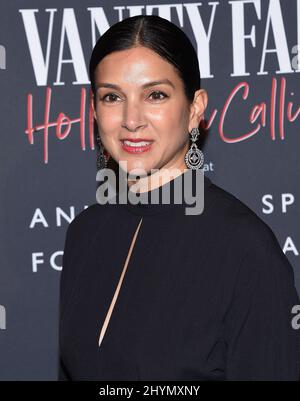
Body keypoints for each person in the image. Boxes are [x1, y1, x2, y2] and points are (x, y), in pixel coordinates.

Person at [58, 15, 300, 381]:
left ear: (195, 109)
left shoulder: (244, 249)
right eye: (112, 97)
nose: (131, 119)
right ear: (94, 110)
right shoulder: (85, 232)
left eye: (155, 94)